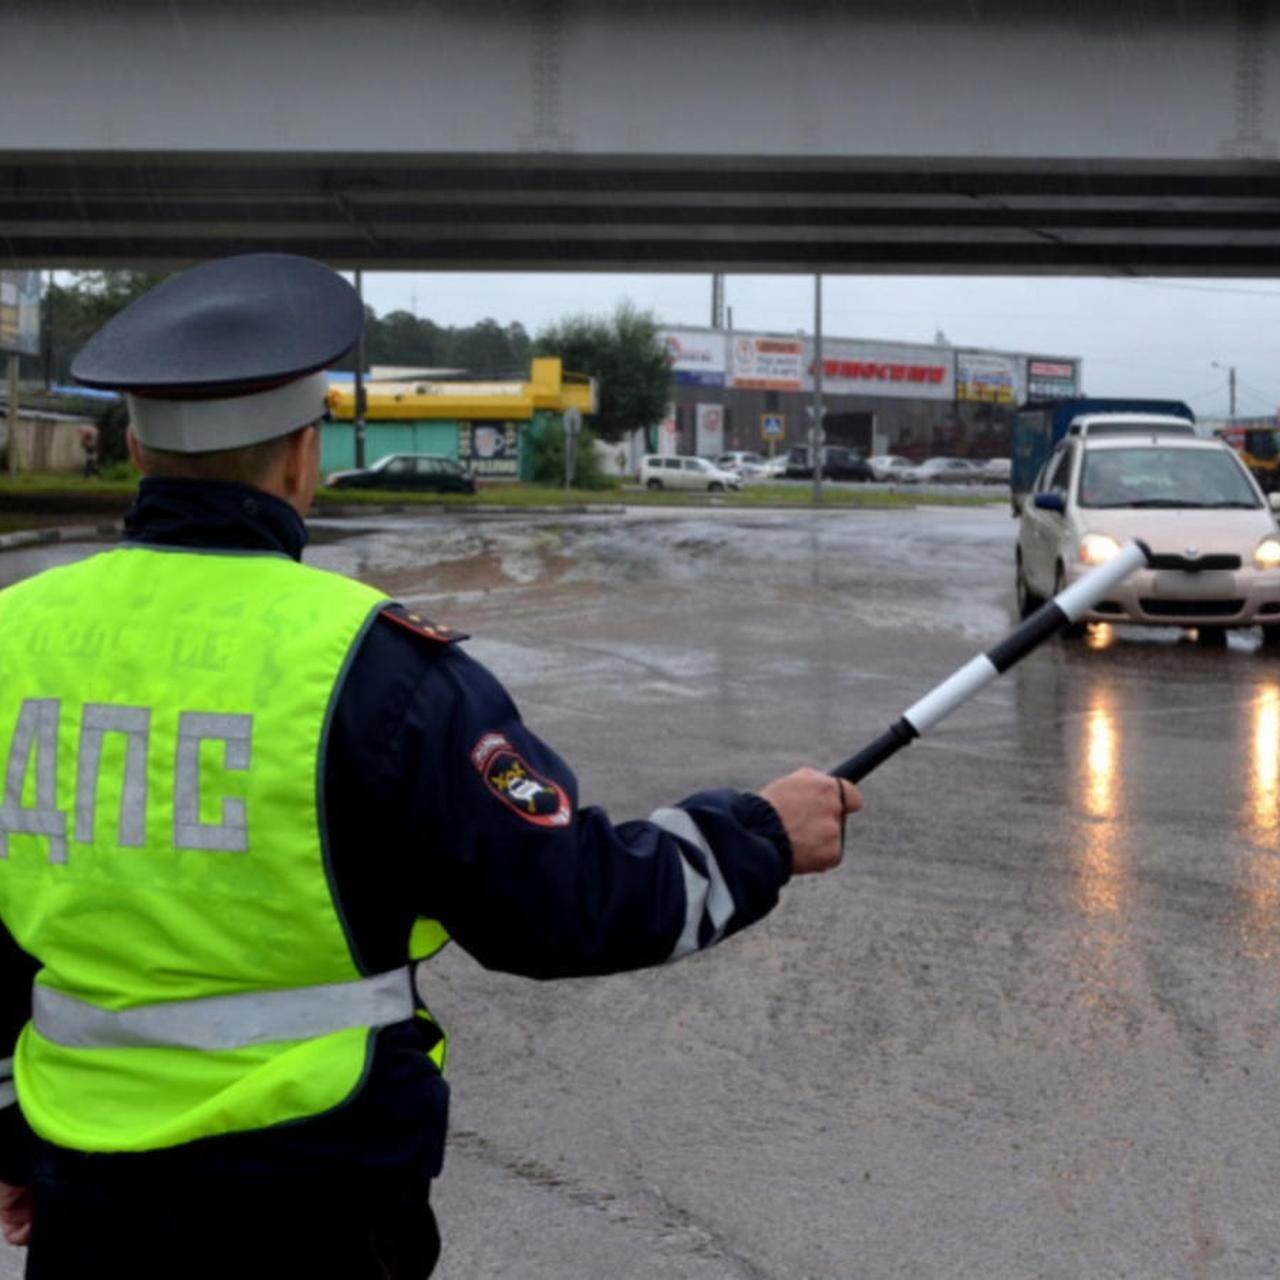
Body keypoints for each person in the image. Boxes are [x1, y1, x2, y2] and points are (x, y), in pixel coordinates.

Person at [0, 253, 860, 1278]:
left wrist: (15, 1125)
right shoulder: (372, 665)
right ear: (299, 460)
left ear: (135, 446)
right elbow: (558, 903)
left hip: (84, 1197)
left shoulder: (17, 635)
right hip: (314, 1196)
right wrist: (758, 834)